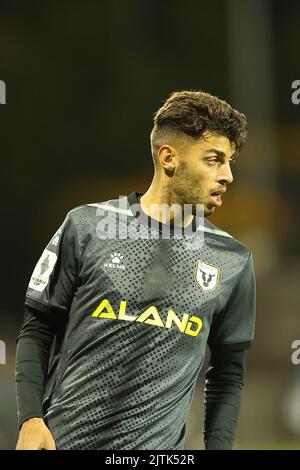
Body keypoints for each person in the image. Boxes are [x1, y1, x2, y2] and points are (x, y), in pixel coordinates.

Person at [15, 90, 256, 450]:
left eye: (229, 161)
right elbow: (37, 330)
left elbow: (228, 374)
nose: (228, 176)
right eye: (214, 160)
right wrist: (31, 419)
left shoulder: (232, 259)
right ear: (169, 157)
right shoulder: (86, 227)